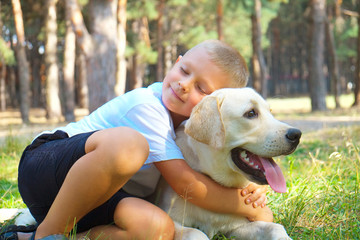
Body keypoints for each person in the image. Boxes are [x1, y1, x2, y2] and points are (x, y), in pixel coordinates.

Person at [16, 40, 271, 240]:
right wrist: (248, 208)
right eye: (183, 71)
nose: (184, 85)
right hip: (46, 168)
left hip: (96, 201)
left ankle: (52, 237)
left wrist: (250, 187)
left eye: (201, 89)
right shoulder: (146, 106)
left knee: (158, 229)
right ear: (176, 62)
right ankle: (47, 235)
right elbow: (186, 184)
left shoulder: (189, 129)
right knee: (129, 146)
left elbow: (208, 170)